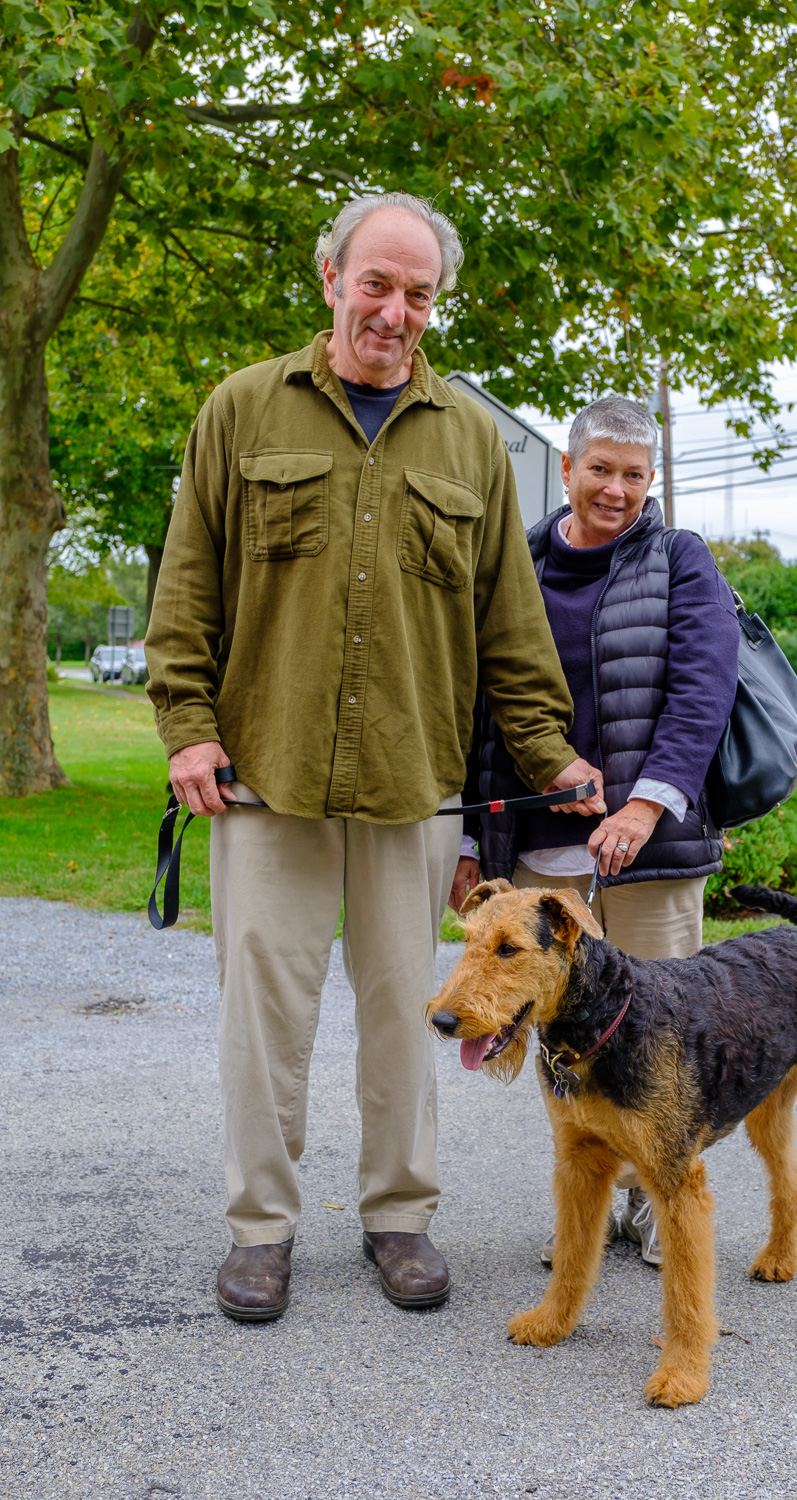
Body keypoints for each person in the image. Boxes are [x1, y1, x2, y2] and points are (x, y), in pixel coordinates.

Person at [144, 191, 603, 1320]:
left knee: (421, 1006)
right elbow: (187, 584)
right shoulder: (241, 410)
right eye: (377, 284)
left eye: (418, 293)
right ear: (331, 279)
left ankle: (399, 1217)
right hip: (267, 774)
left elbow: (509, 619)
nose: (395, 312)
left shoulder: (472, 445)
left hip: (414, 784)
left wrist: (546, 750)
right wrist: (185, 724)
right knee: (265, 1015)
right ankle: (261, 1229)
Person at [471, 395, 740, 1266]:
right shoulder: (519, 563)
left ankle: (665, 1200)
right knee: (568, 1043)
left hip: (648, 845)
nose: (616, 489)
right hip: (544, 846)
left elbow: (703, 691)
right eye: (601, 470)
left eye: (634, 474)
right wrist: (479, 849)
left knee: (663, 1037)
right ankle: (592, 1207)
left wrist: (643, 804)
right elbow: (487, 710)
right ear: (567, 470)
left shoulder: (680, 560)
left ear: (651, 479)